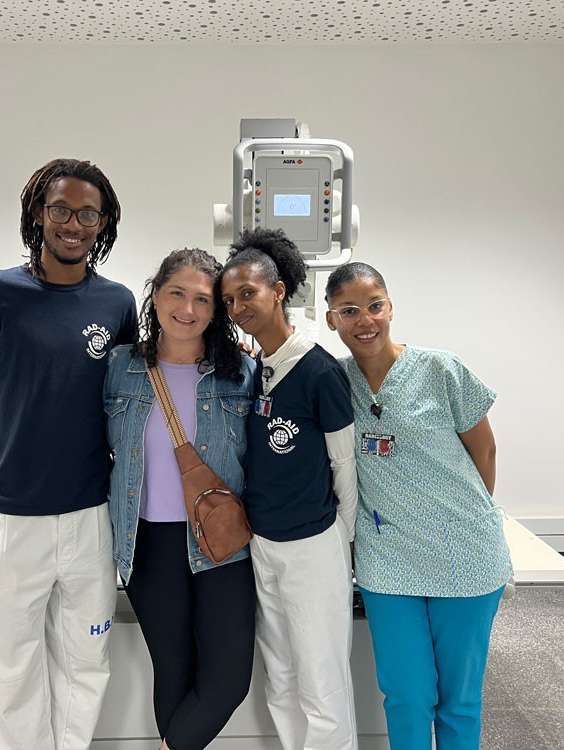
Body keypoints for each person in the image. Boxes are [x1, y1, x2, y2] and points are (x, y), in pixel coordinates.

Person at [0, 158, 137, 750]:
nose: (73, 224)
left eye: (88, 214)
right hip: (11, 520)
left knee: (86, 662)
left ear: (103, 222)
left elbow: (130, 405)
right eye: (61, 209)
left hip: (89, 517)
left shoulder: (117, 304)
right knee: (14, 669)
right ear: (38, 212)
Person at [324, 261, 513, 750]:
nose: (365, 320)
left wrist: (463, 520)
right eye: (349, 310)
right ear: (331, 319)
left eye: (375, 306)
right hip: (387, 561)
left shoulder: (440, 370)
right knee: (407, 696)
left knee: (459, 698)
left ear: (391, 308)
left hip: (465, 556)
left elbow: (485, 451)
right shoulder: (334, 380)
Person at [104, 247, 257, 750]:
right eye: (176, 293)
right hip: (148, 543)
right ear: (155, 295)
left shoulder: (241, 372)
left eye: (202, 299)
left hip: (222, 543)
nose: (187, 309)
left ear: (217, 309)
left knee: (228, 680)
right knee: (173, 670)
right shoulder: (120, 367)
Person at [218, 228, 359, 750]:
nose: (237, 308)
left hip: (312, 545)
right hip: (263, 543)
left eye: (247, 294)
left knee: (322, 680)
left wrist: (342, 542)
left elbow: (345, 466)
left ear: (278, 292)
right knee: (280, 679)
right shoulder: (257, 369)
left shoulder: (319, 371)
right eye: (228, 300)